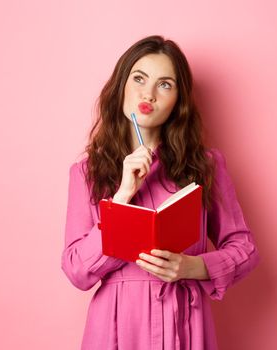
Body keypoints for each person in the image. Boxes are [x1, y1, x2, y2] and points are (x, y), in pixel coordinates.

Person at [61, 35, 260, 350]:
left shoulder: (206, 165)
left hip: (185, 322)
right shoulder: (87, 172)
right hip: (116, 327)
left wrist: (194, 267)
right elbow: (76, 271)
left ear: (178, 100)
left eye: (165, 84)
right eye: (139, 78)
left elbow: (244, 248)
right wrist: (122, 197)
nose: (149, 93)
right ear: (121, 85)